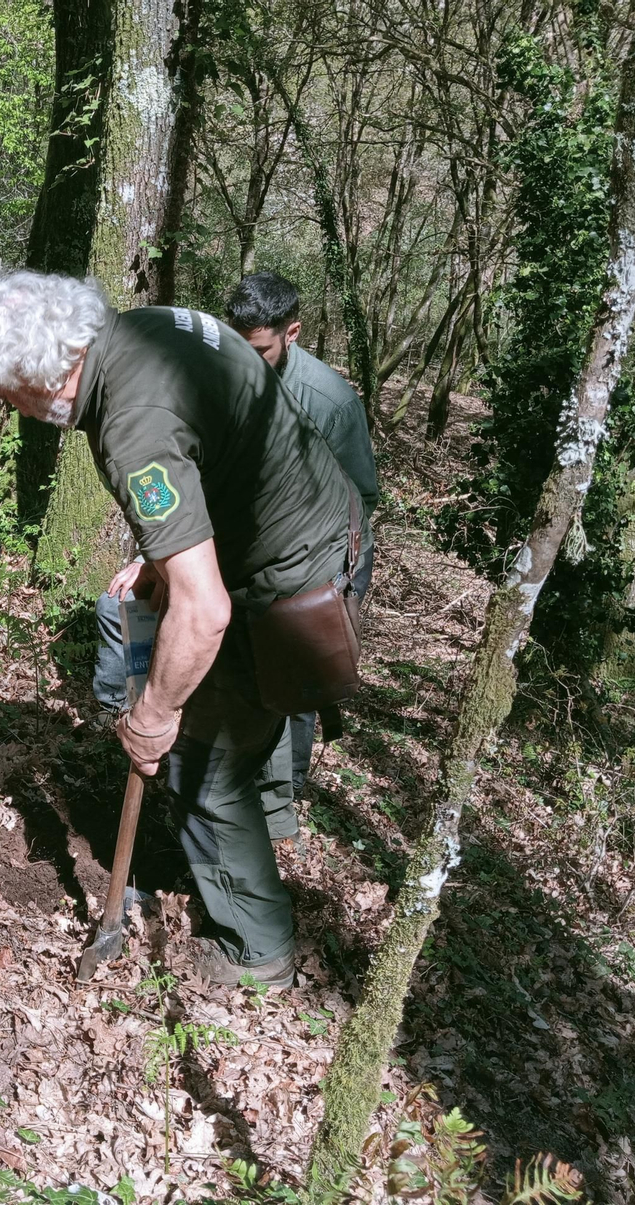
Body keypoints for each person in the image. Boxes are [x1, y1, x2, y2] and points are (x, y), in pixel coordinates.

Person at [0, 270, 367, 987]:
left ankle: (257, 951)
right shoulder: (141, 329)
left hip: (290, 576)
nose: (10, 406)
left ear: (44, 370)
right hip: (298, 536)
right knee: (221, 744)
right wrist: (158, 556)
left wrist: (156, 711)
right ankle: (229, 852)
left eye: (7, 390)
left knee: (202, 758)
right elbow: (209, 446)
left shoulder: (130, 419)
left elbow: (203, 611)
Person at [225, 271, 379, 838]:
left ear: (292, 332)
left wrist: (335, 585)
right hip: (248, 547)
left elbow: (359, 497)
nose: (248, 359)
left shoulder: (329, 401)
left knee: (294, 676)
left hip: (323, 555)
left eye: (260, 349)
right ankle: (238, 784)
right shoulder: (224, 369)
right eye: (239, 344)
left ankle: (279, 805)